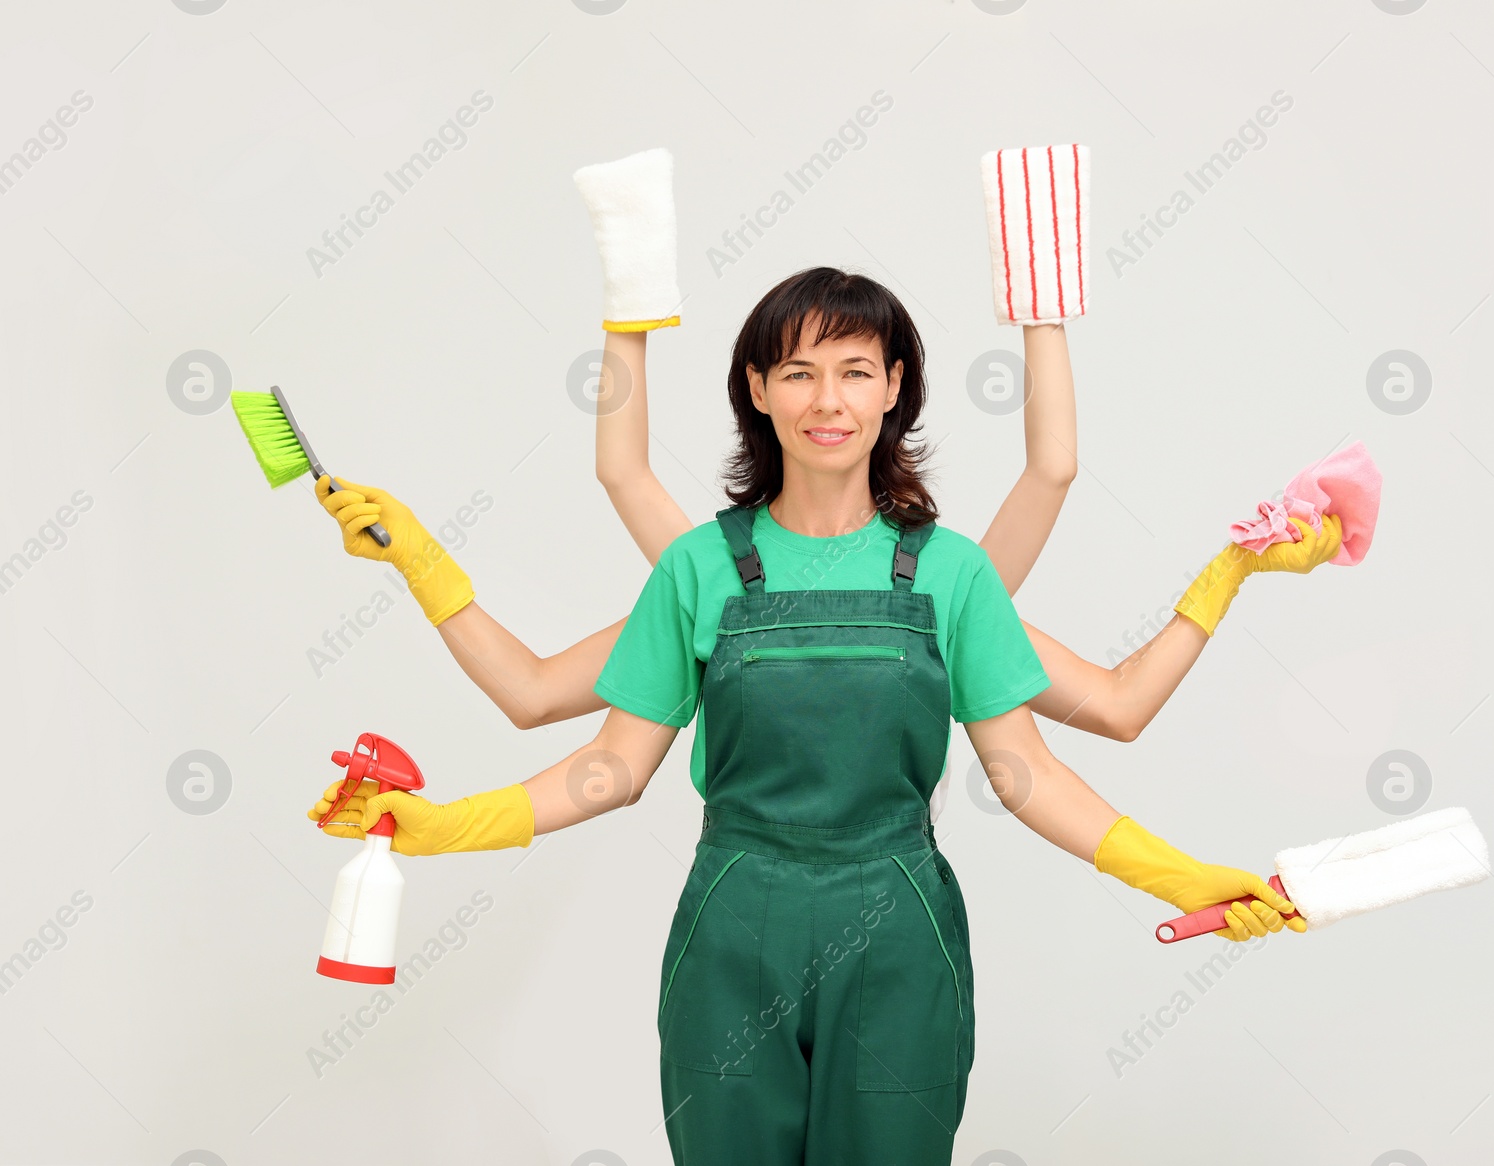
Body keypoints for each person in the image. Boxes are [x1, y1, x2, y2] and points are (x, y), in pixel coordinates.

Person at [309, 269, 1307, 1164]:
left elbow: (1025, 771)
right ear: (755, 388)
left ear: (895, 386)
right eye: (796, 372)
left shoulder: (951, 572)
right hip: (731, 928)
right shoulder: (699, 567)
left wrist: (1178, 872)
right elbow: (609, 766)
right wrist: (440, 823)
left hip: (897, 928)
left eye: (855, 370)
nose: (827, 399)